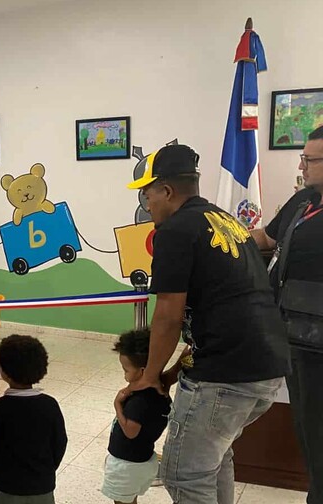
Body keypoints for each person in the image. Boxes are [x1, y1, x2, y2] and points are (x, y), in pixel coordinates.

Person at [125, 144, 290, 504]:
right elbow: (219, 310)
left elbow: (168, 316)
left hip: (226, 375)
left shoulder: (174, 230)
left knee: (184, 475)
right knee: (213, 460)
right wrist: (169, 374)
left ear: (166, 190)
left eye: (147, 194)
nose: (146, 204)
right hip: (267, 366)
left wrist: (149, 376)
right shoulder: (226, 221)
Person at [251, 125, 323, 504]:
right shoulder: (304, 201)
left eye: (309, 160)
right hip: (297, 338)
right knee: (309, 427)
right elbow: (267, 237)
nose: (301, 166)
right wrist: (222, 235)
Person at [0, 335, 66, 504]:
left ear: (3, 372)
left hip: (8, 487)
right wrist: (48, 469)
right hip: (42, 487)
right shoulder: (50, 405)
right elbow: (59, 442)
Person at [102, 329, 171, 504]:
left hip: (127, 465)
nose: (124, 374)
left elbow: (130, 432)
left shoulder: (139, 402)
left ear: (142, 371)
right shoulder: (161, 392)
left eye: (125, 370)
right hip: (143, 459)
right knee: (130, 498)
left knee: (122, 501)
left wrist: (117, 405)